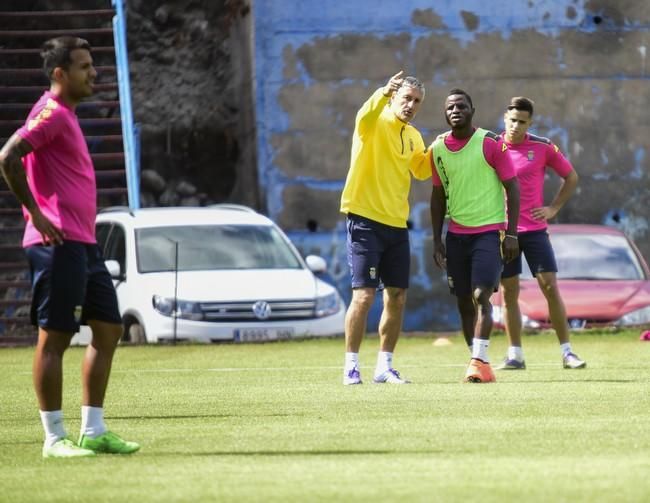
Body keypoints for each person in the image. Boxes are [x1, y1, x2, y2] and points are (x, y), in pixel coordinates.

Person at [0, 37, 140, 457]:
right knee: (56, 336)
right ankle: (54, 438)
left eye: (92, 64)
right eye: (83, 66)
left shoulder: (67, 115)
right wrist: (36, 215)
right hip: (56, 242)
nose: (93, 72)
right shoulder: (51, 113)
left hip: (83, 241)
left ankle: (93, 430)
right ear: (60, 74)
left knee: (109, 329)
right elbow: (7, 156)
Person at [340, 71, 431, 385]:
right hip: (364, 220)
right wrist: (382, 91)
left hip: (397, 225)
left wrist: (449, 145)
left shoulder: (414, 136)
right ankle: (351, 366)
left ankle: (384, 367)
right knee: (363, 297)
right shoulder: (373, 122)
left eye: (416, 101)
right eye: (406, 97)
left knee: (397, 297)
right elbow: (364, 115)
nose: (410, 104)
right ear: (394, 97)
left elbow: (421, 170)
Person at [430, 89, 520, 383]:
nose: (455, 110)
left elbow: (513, 188)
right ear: (445, 114)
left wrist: (511, 234)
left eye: (461, 105)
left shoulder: (490, 143)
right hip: (456, 236)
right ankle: (478, 359)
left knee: (482, 294)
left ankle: (478, 361)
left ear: (472, 109)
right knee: (464, 302)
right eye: (450, 107)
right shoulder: (438, 149)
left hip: (489, 233)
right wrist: (436, 240)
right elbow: (438, 195)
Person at [496, 96, 586, 370]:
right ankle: (515, 355)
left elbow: (571, 177)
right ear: (505, 118)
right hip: (504, 232)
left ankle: (567, 352)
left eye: (522, 122)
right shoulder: (491, 146)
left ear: (530, 123)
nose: (516, 126)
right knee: (509, 292)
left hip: (535, 230)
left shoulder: (543, 147)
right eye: (512, 120)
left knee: (549, 286)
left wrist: (553, 208)